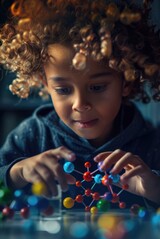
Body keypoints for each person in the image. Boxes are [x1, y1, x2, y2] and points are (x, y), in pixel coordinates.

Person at [0, 0, 160, 210]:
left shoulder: (152, 145)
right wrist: (16, 173)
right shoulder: (31, 137)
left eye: (97, 87)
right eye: (64, 90)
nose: (80, 104)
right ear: (45, 82)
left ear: (127, 82)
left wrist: (156, 189)